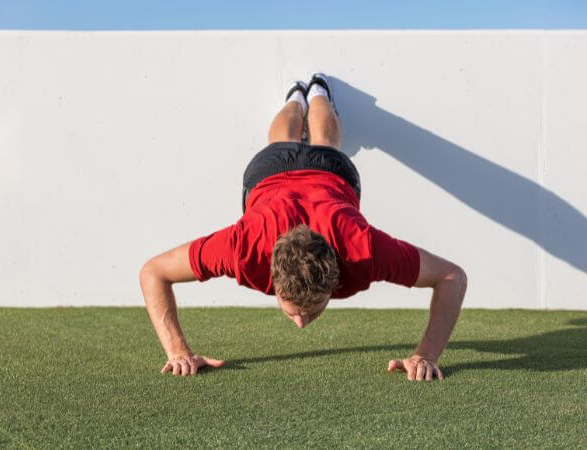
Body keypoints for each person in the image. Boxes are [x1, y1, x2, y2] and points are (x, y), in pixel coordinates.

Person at [139, 73, 467, 382]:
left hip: (329, 176)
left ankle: (317, 90)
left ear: (337, 275)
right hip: (272, 174)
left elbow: (453, 277)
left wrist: (427, 355)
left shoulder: (362, 250)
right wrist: (177, 352)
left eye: (312, 310)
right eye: (296, 311)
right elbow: (153, 272)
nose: (300, 323)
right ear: (271, 273)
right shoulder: (243, 247)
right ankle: (297, 96)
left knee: (323, 142)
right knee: (289, 142)